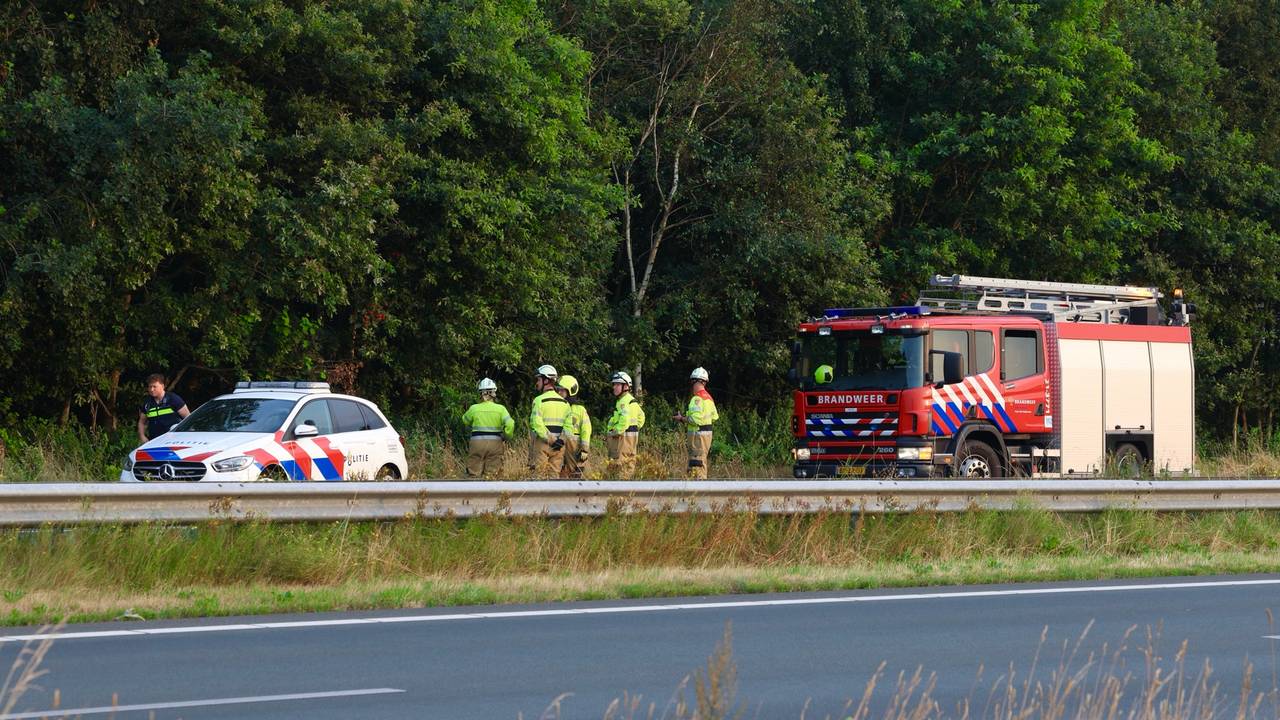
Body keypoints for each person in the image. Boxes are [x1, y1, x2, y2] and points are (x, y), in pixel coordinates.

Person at [461, 378, 515, 478]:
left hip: (477, 443)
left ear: (480, 393)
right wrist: (507, 436)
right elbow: (510, 424)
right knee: (492, 475)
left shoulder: (474, 408)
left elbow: (465, 420)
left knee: (473, 474)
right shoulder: (501, 409)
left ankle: (473, 491)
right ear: (494, 392)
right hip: (495, 444)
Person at [673, 367, 718, 479]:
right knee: (701, 462)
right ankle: (698, 491)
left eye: (692, 382)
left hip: (697, 436)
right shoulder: (709, 398)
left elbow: (695, 420)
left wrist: (682, 418)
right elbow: (714, 417)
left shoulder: (697, 399)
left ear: (695, 381)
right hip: (706, 435)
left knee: (696, 465)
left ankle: (698, 492)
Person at [528, 364, 570, 477]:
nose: (537, 383)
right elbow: (569, 426)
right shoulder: (565, 403)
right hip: (559, 446)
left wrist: (551, 439)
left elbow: (536, 424)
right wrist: (560, 440)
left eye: (538, 379)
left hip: (543, 444)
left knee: (539, 477)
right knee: (554, 477)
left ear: (546, 380)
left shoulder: (538, 400)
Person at [605, 370, 645, 478]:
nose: (614, 387)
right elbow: (641, 417)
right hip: (632, 438)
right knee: (629, 466)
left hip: (622, 439)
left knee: (619, 467)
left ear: (626, 386)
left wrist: (614, 432)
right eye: (614, 384)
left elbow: (624, 420)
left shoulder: (623, 402)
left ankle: (619, 492)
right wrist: (635, 429)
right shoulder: (632, 400)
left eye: (617, 384)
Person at [556, 375, 592, 479]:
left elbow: (586, 429)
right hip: (560, 444)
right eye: (558, 391)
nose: (559, 393)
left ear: (570, 392)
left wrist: (584, 449)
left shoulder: (580, 410)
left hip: (575, 448)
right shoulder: (559, 407)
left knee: (576, 475)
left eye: (562, 391)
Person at [137, 373, 190, 443]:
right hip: (154, 441)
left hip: (175, 441)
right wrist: (142, 436)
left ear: (162, 386)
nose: (151, 389)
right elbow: (142, 422)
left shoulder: (173, 399)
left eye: (154, 386)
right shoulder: (147, 403)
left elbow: (188, 418)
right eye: (150, 387)